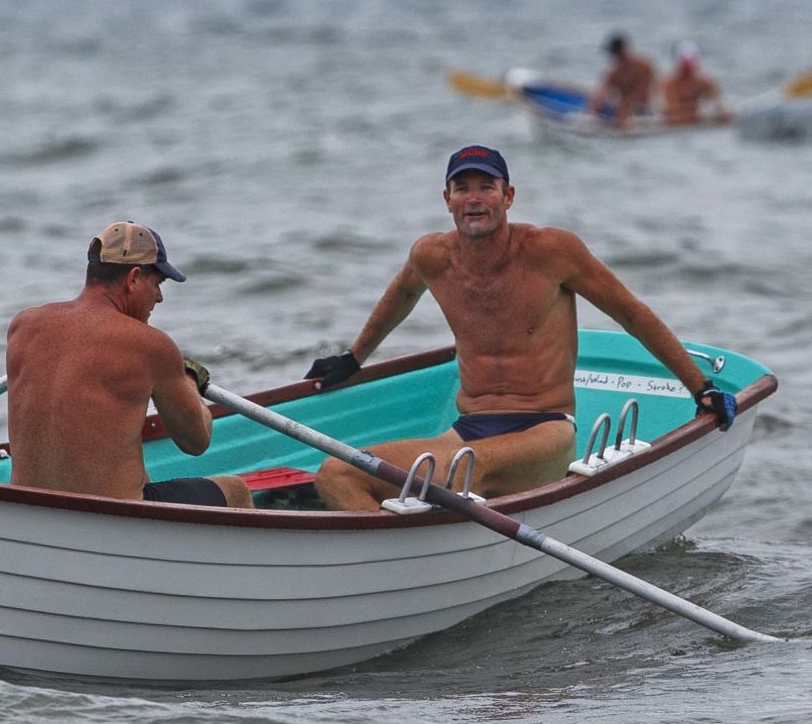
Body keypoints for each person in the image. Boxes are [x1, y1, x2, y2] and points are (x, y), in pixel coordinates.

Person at [303, 145, 738, 512]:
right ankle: (392, 567)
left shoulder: (552, 251)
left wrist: (699, 387)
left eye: (486, 188)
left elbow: (631, 313)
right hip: (469, 427)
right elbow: (399, 298)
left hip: (543, 430)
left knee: (459, 469)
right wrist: (354, 358)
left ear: (507, 196)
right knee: (336, 473)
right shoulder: (431, 257)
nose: (474, 199)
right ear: (447, 198)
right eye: (463, 189)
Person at [5, 221, 253, 508]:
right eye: (157, 284)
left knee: (138, 472)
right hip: (110, 516)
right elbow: (196, 441)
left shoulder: (23, 326)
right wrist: (187, 377)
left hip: (27, 509)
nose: (159, 297)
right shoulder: (150, 346)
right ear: (134, 278)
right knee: (237, 490)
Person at [590, 33, 657, 129]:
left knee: (626, 112)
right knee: (597, 103)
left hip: (642, 110)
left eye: (615, 54)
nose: (614, 57)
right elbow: (602, 92)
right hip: (622, 109)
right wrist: (594, 109)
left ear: (622, 52)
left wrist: (626, 108)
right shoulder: (614, 73)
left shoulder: (644, 67)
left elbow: (642, 92)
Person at [662, 40, 732, 126]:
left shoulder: (704, 81)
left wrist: (722, 112)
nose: (688, 73)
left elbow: (720, 105)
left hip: (693, 120)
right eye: (685, 69)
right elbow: (673, 114)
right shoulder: (670, 83)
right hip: (678, 124)